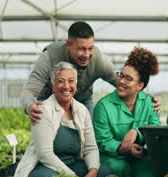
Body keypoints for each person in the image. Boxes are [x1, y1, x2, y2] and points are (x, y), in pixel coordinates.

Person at [21, 21, 160, 124]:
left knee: (89, 135)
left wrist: (148, 98)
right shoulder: (50, 57)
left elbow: (123, 82)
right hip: (48, 99)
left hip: (81, 99)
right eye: (81, 49)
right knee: (50, 136)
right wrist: (30, 106)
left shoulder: (98, 60)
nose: (86, 55)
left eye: (90, 48)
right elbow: (29, 91)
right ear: (68, 44)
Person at [13, 61, 112, 177]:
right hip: (42, 168)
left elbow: (90, 147)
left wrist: (92, 171)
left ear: (76, 85)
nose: (66, 86)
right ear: (53, 86)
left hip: (71, 164)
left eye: (71, 81)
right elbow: (45, 154)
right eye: (60, 81)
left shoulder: (82, 110)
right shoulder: (44, 110)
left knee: (105, 173)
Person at [93, 47, 161, 177]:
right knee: (116, 171)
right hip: (111, 157)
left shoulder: (149, 104)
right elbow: (102, 140)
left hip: (138, 156)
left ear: (140, 86)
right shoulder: (104, 106)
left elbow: (155, 129)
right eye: (120, 75)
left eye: (128, 79)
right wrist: (126, 148)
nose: (121, 81)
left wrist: (136, 132)